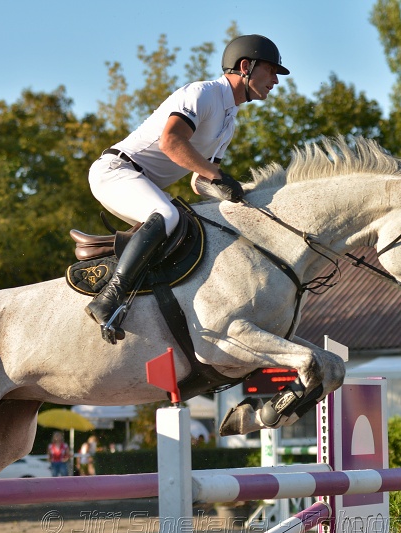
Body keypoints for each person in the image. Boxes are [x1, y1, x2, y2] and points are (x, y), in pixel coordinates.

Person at [85, 34, 289, 344]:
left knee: (194, 226)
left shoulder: (229, 121)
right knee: (166, 214)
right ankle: (108, 298)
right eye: (271, 71)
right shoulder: (203, 94)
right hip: (116, 171)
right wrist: (218, 174)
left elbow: (198, 180)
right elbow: (171, 142)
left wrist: (238, 196)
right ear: (245, 66)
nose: (275, 80)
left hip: (140, 182)